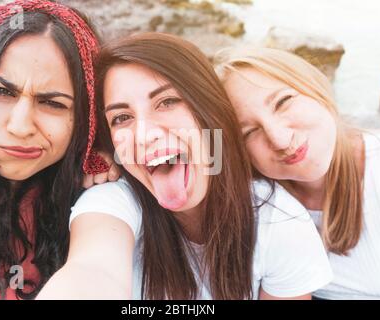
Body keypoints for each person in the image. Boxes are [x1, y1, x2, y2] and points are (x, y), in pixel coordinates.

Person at [40, 33, 332, 300]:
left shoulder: (277, 221)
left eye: (167, 102)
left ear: (209, 111)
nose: (144, 135)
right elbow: (92, 270)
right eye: (121, 118)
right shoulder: (112, 203)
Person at [0, 0, 116, 299]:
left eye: (53, 103)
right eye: (0, 91)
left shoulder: (98, 193)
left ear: (88, 121)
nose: (21, 126)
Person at [214, 46, 380, 300]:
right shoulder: (258, 207)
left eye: (283, 102)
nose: (280, 139)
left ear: (314, 87)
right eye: (249, 132)